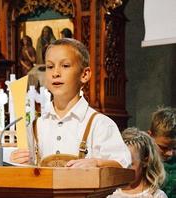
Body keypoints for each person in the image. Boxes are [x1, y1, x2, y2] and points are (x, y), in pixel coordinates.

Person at [10, 38, 131, 168]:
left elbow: (123, 165)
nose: (55, 73)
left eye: (65, 66)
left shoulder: (100, 124)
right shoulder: (36, 126)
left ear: (84, 74)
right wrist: (17, 162)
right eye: (50, 67)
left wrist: (97, 163)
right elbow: (29, 172)